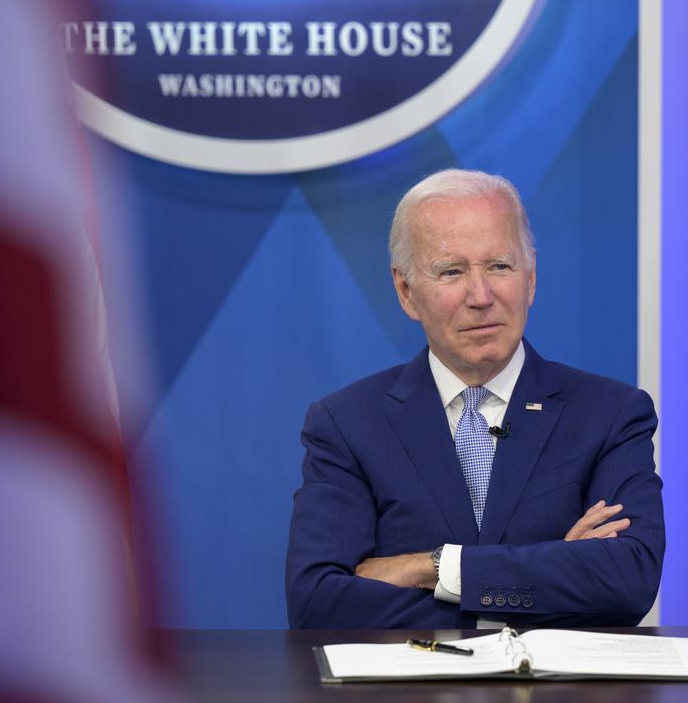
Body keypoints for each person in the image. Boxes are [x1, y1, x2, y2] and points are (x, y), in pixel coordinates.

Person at [284, 169, 664, 629]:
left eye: (500, 266)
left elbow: (628, 579)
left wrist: (432, 567)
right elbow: (318, 602)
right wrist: (550, 579)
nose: (481, 296)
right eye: (452, 271)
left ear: (530, 278)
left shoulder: (611, 414)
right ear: (406, 291)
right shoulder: (347, 424)